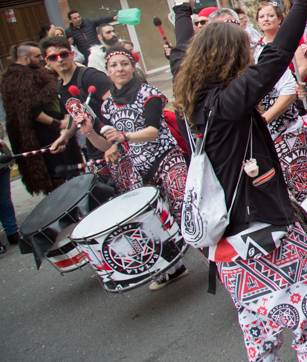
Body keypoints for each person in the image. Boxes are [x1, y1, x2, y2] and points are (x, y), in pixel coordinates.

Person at [174, 0, 307, 361]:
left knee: (260, 333)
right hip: (263, 236)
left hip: (227, 250)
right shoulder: (229, 103)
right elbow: (277, 55)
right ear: (233, 59)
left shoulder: (195, 99)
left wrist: (182, 10)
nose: (252, 54)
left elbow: (179, 52)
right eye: (245, 51)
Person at [77, 44, 190, 290]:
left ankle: (219, 262)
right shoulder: (107, 106)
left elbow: (152, 131)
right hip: (139, 168)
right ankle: (173, 269)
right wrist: (89, 133)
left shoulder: (148, 94)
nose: (120, 69)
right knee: (150, 223)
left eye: (124, 64)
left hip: (166, 158)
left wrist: (124, 138)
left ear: (133, 67)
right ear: (107, 72)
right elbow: (108, 143)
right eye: (114, 66)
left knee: (185, 211)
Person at [255, 3, 307, 201]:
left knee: (303, 177)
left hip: (302, 101)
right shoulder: (256, 49)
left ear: (280, 19)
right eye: (261, 16)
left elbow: (304, 69)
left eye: (270, 15)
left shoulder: (290, 41)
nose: (266, 19)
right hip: (269, 129)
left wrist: (285, 83)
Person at [0, 42, 81, 194]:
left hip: (54, 131)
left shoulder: (35, 73)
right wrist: (58, 124)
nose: (41, 59)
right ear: (25, 59)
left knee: (68, 170)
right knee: (58, 176)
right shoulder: (17, 79)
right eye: (37, 57)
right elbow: (30, 111)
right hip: (44, 136)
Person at [41, 36, 113, 165]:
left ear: (72, 54)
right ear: (47, 61)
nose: (59, 60)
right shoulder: (60, 86)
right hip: (95, 150)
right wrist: (64, 137)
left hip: (114, 148)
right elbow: (74, 116)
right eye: (53, 57)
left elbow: (119, 107)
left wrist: (115, 144)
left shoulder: (90, 76)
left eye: (63, 54)